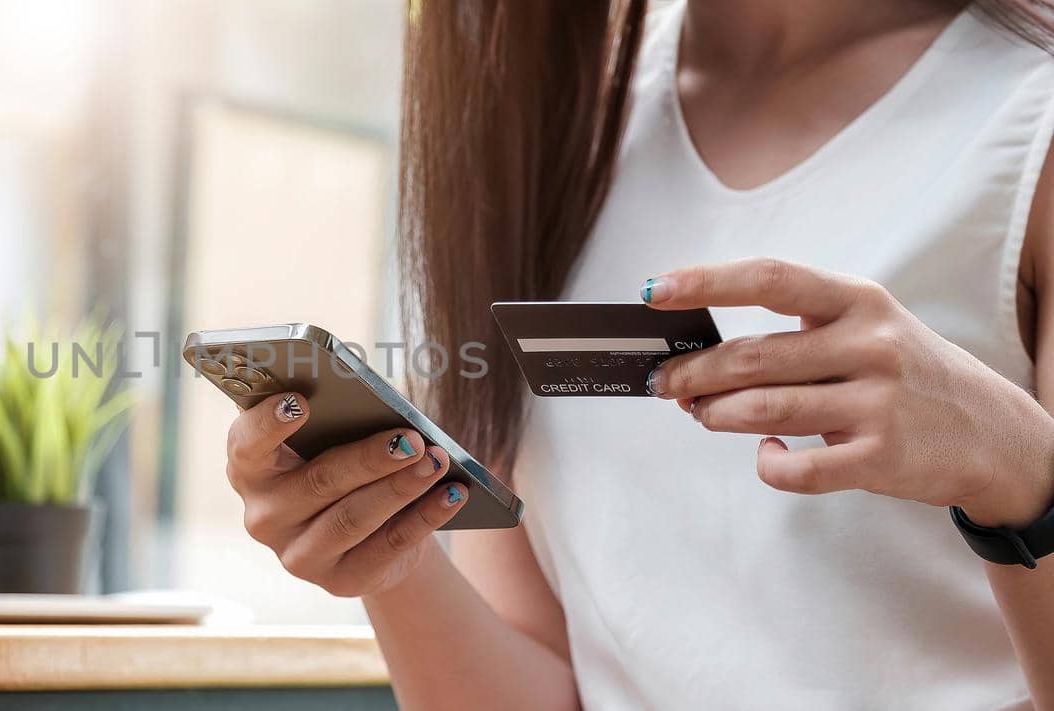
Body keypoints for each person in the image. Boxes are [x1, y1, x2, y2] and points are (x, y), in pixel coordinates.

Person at [222, 1, 1054, 708]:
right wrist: (387, 552)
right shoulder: (557, 135)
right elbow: (548, 677)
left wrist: (1016, 469)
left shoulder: (1026, 120)